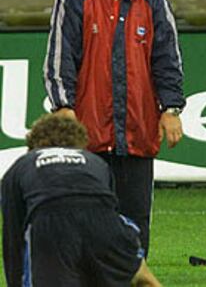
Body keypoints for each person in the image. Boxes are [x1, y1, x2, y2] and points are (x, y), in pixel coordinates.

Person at [43, 0, 185, 256]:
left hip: (138, 133)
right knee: (82, 221)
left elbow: (167, 59)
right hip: (86, 137)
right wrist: (64, 110)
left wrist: (171, 109)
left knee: (134, 227)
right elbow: (59, 59)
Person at [1, 114, 161, 287]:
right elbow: (110, 207)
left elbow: (14, 235)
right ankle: (140, 272)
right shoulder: (96, 162)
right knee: (140, 278)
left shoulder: (21, 166)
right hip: (105, 223)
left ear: (33, 145)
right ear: (81, 143)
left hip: (51, 223)